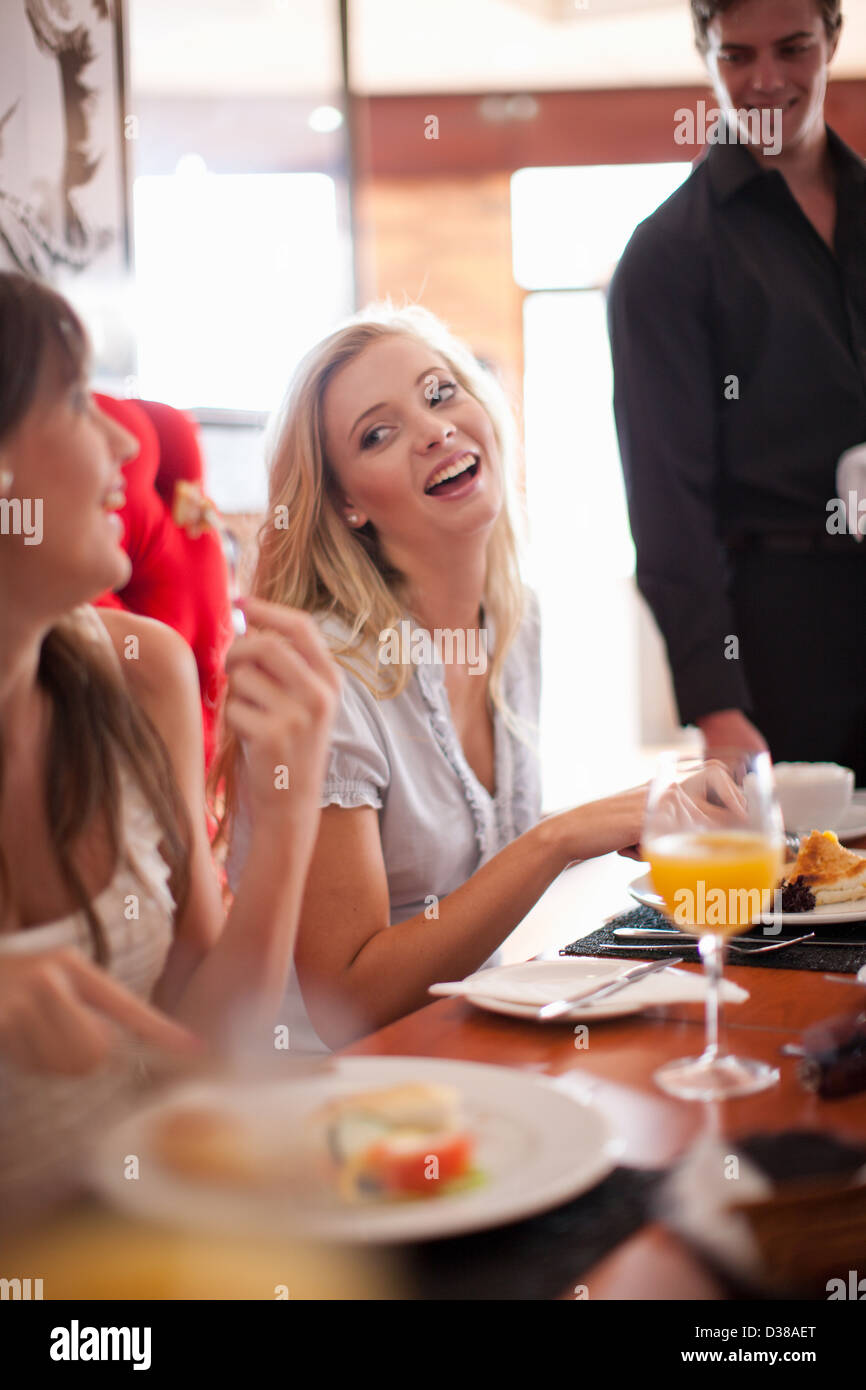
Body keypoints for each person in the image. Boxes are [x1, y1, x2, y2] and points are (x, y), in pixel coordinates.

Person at [220, 303, 651, 1052]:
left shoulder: (517, 623)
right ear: (346, 502)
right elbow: (348, 1000)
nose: (432, 430)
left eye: (440, 391)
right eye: (378, 434)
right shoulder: (327, 675)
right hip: (321, 1104)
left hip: (465, 1058)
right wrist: (561, 839)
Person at [0, 272, 340, 1206]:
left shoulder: (144, 672)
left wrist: (284, 812)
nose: (123, 439)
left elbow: (199, 1058)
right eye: (73, 399)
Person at [607, 0, 866, 778]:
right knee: (811, 893)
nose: (766, 81)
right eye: (736, 56)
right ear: (703, 50)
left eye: (793, 49)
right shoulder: (667, 256)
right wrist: (717, 704)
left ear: (833, 40)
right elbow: (666, 501)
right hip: (779, 641)